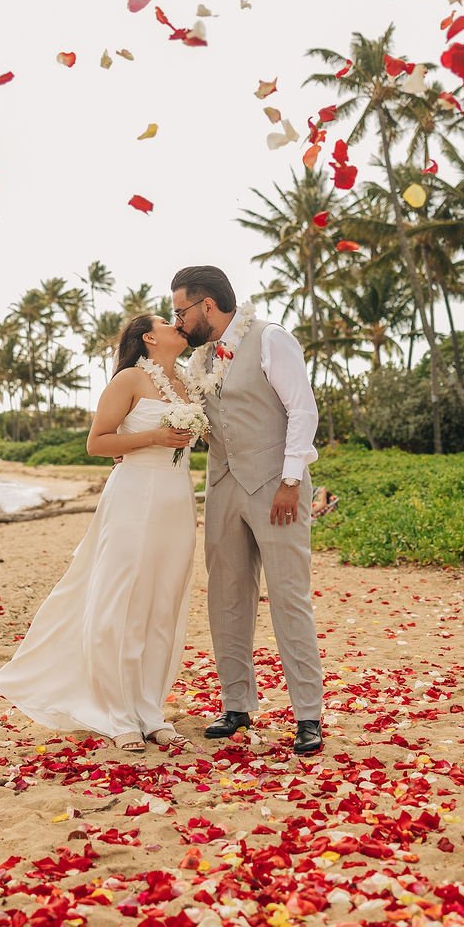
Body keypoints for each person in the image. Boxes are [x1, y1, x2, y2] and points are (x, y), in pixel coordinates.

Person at [0, 312, 197, 750]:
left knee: (164, 604)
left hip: (178, 500)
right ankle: (117, 713)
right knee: (119, 602)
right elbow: (97, 442)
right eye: (166, 321)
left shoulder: (189, 382)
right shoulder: (128, 380)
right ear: (148, 338)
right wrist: (154, 439)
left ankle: (150, 710)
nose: (176, 324)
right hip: (134, 498)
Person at [170, 267, 325, 757]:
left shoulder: (269, 339)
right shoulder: (199, 359)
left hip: (277, 486)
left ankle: (308, 715)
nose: (178, 321)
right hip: (222, 487)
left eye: (181, 311)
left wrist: (291, 481)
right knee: (227, 596)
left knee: (288, 597)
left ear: (208, 306)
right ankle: (236, 704)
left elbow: (303, 409)